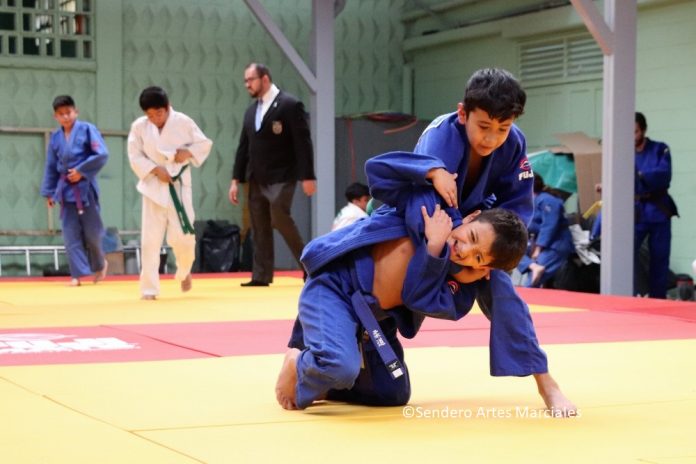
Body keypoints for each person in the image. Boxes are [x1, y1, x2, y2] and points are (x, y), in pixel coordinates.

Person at [228, 63, 316, 287]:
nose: (247, 84)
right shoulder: (251, 111)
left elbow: (303, 142)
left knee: (279, 218)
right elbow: (243, 147)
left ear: (265, 78)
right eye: (245, 81)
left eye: (251, 80)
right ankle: (261, 274)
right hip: (256, 176)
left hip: (282, 174)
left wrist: (308, 175)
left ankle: (311, 267)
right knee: (259, 225)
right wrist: (235, 180)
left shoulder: (289, 105)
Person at [127, 86, 212, 300]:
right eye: (150, 115)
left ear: (167, 107)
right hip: (153, 187)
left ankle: (184, 271)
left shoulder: (183, 122)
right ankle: (149, 288)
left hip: (179, 186)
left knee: (184, 237)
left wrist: (188, 152)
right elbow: (134, 155)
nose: (155, 119)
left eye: (159, 113)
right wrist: (156, 170)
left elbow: (204, 144)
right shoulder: (139, 127)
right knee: (150, 241)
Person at [593, 112, 679, 298]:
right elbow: (618, 178)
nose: (632, 136)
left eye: (636, 132)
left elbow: (663, 175)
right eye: (629, 133)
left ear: (644, 130)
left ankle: (658, 299)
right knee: (625, 254)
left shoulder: (660, 149)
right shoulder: (623, 154)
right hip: (634, 210)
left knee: (660, 257)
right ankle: (630, 296)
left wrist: (638, 176)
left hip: (658, 208)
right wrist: (608, 185)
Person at [40, 95, 109, 287]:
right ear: (55, 116)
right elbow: (51, 166)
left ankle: (100, 263)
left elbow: (102, 154)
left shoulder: (87, 130)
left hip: (85, 189)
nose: (65, 117)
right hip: (65, 190)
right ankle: (77, 275)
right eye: (61, 114)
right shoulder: (55, 137)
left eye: (68, 112)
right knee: (70, 234)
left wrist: (82, 171)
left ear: (76, 112)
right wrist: (49, 192)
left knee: (93, 233)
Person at [517, 174, 574, 287]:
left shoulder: (548, 200)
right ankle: (533, 266)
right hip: (536, 243)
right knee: (511, 252)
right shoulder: (532, 200)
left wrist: (538, 249)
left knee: (531, 283)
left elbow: (549, 226)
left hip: (555, 246)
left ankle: (535, 269)